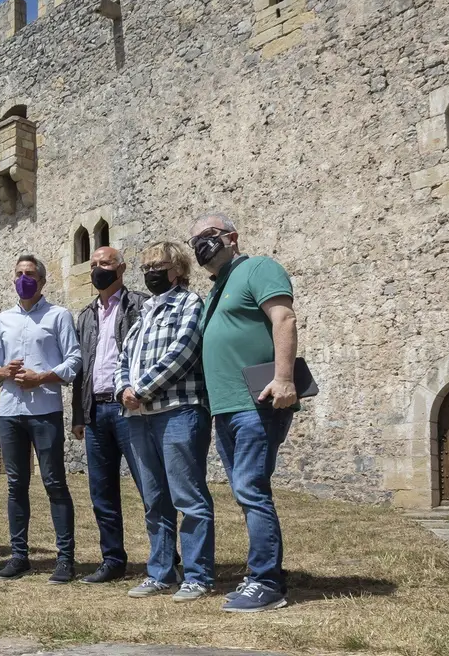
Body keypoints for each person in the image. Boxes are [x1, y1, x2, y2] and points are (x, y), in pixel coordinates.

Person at [189, 213, 298, 613]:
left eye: (208, 236)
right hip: (227, 408)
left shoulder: (257, 268)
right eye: (194, 240)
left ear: (232, 237)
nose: (201, 244)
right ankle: (267, 574)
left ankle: (266, 582)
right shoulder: (218, 290)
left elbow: (283, 317)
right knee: (245, 491)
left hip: (258, 402)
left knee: (251, 489)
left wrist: (284, 378)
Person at [116, 242, 215, 602]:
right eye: (146, 266)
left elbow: (184, 350)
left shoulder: (190, 303)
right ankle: (160, 573)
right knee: (154, 499)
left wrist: (140, 389)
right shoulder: (144, 311)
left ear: (178, 269)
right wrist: (123, 387)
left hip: (179, 410)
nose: (151, 272)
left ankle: (198, 576)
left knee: (188, 497)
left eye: (158, 265)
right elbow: (124, 354)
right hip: (139, 417)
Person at [0, 254, 82, 584]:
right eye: (18, 274)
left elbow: (73, 361)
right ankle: (19, 555)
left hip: (45, 411)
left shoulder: (58, 316)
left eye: (29, 274)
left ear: (42, 281)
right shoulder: (2, 320)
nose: (23, 279)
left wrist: (41, 378)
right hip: (10, 412)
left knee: (54, 482)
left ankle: (65, 558)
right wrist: (1, 372)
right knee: (16, 485)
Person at [71, 246, 147, 584]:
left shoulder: (140, 305)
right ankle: (112, 559)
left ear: (122, 268)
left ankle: (168, 558)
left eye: (106, 263)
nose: (99, 269)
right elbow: (80, 369)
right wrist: (77, 415)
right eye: (95, 264)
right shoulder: (86, 315)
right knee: (101, 491)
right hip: (95, 410)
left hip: (129, 409)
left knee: (150, 486)